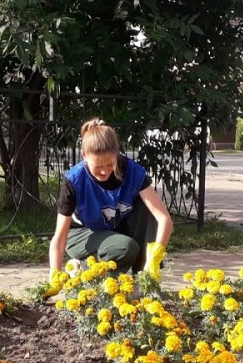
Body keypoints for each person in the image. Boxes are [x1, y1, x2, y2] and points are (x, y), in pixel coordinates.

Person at [49, 119, 173, 281]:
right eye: (97, 167)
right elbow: (60, 236)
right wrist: (54, 274)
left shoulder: (132, 171)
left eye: (109, 165)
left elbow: (164, 219)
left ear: (116, 154)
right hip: (82, 234)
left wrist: (156, 255)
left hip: (114, 230)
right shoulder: (74, 180)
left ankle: (145, 280)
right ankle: (82, 271)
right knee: (125, 247)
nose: (104, 172)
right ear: (84, 156)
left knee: (146, 207)